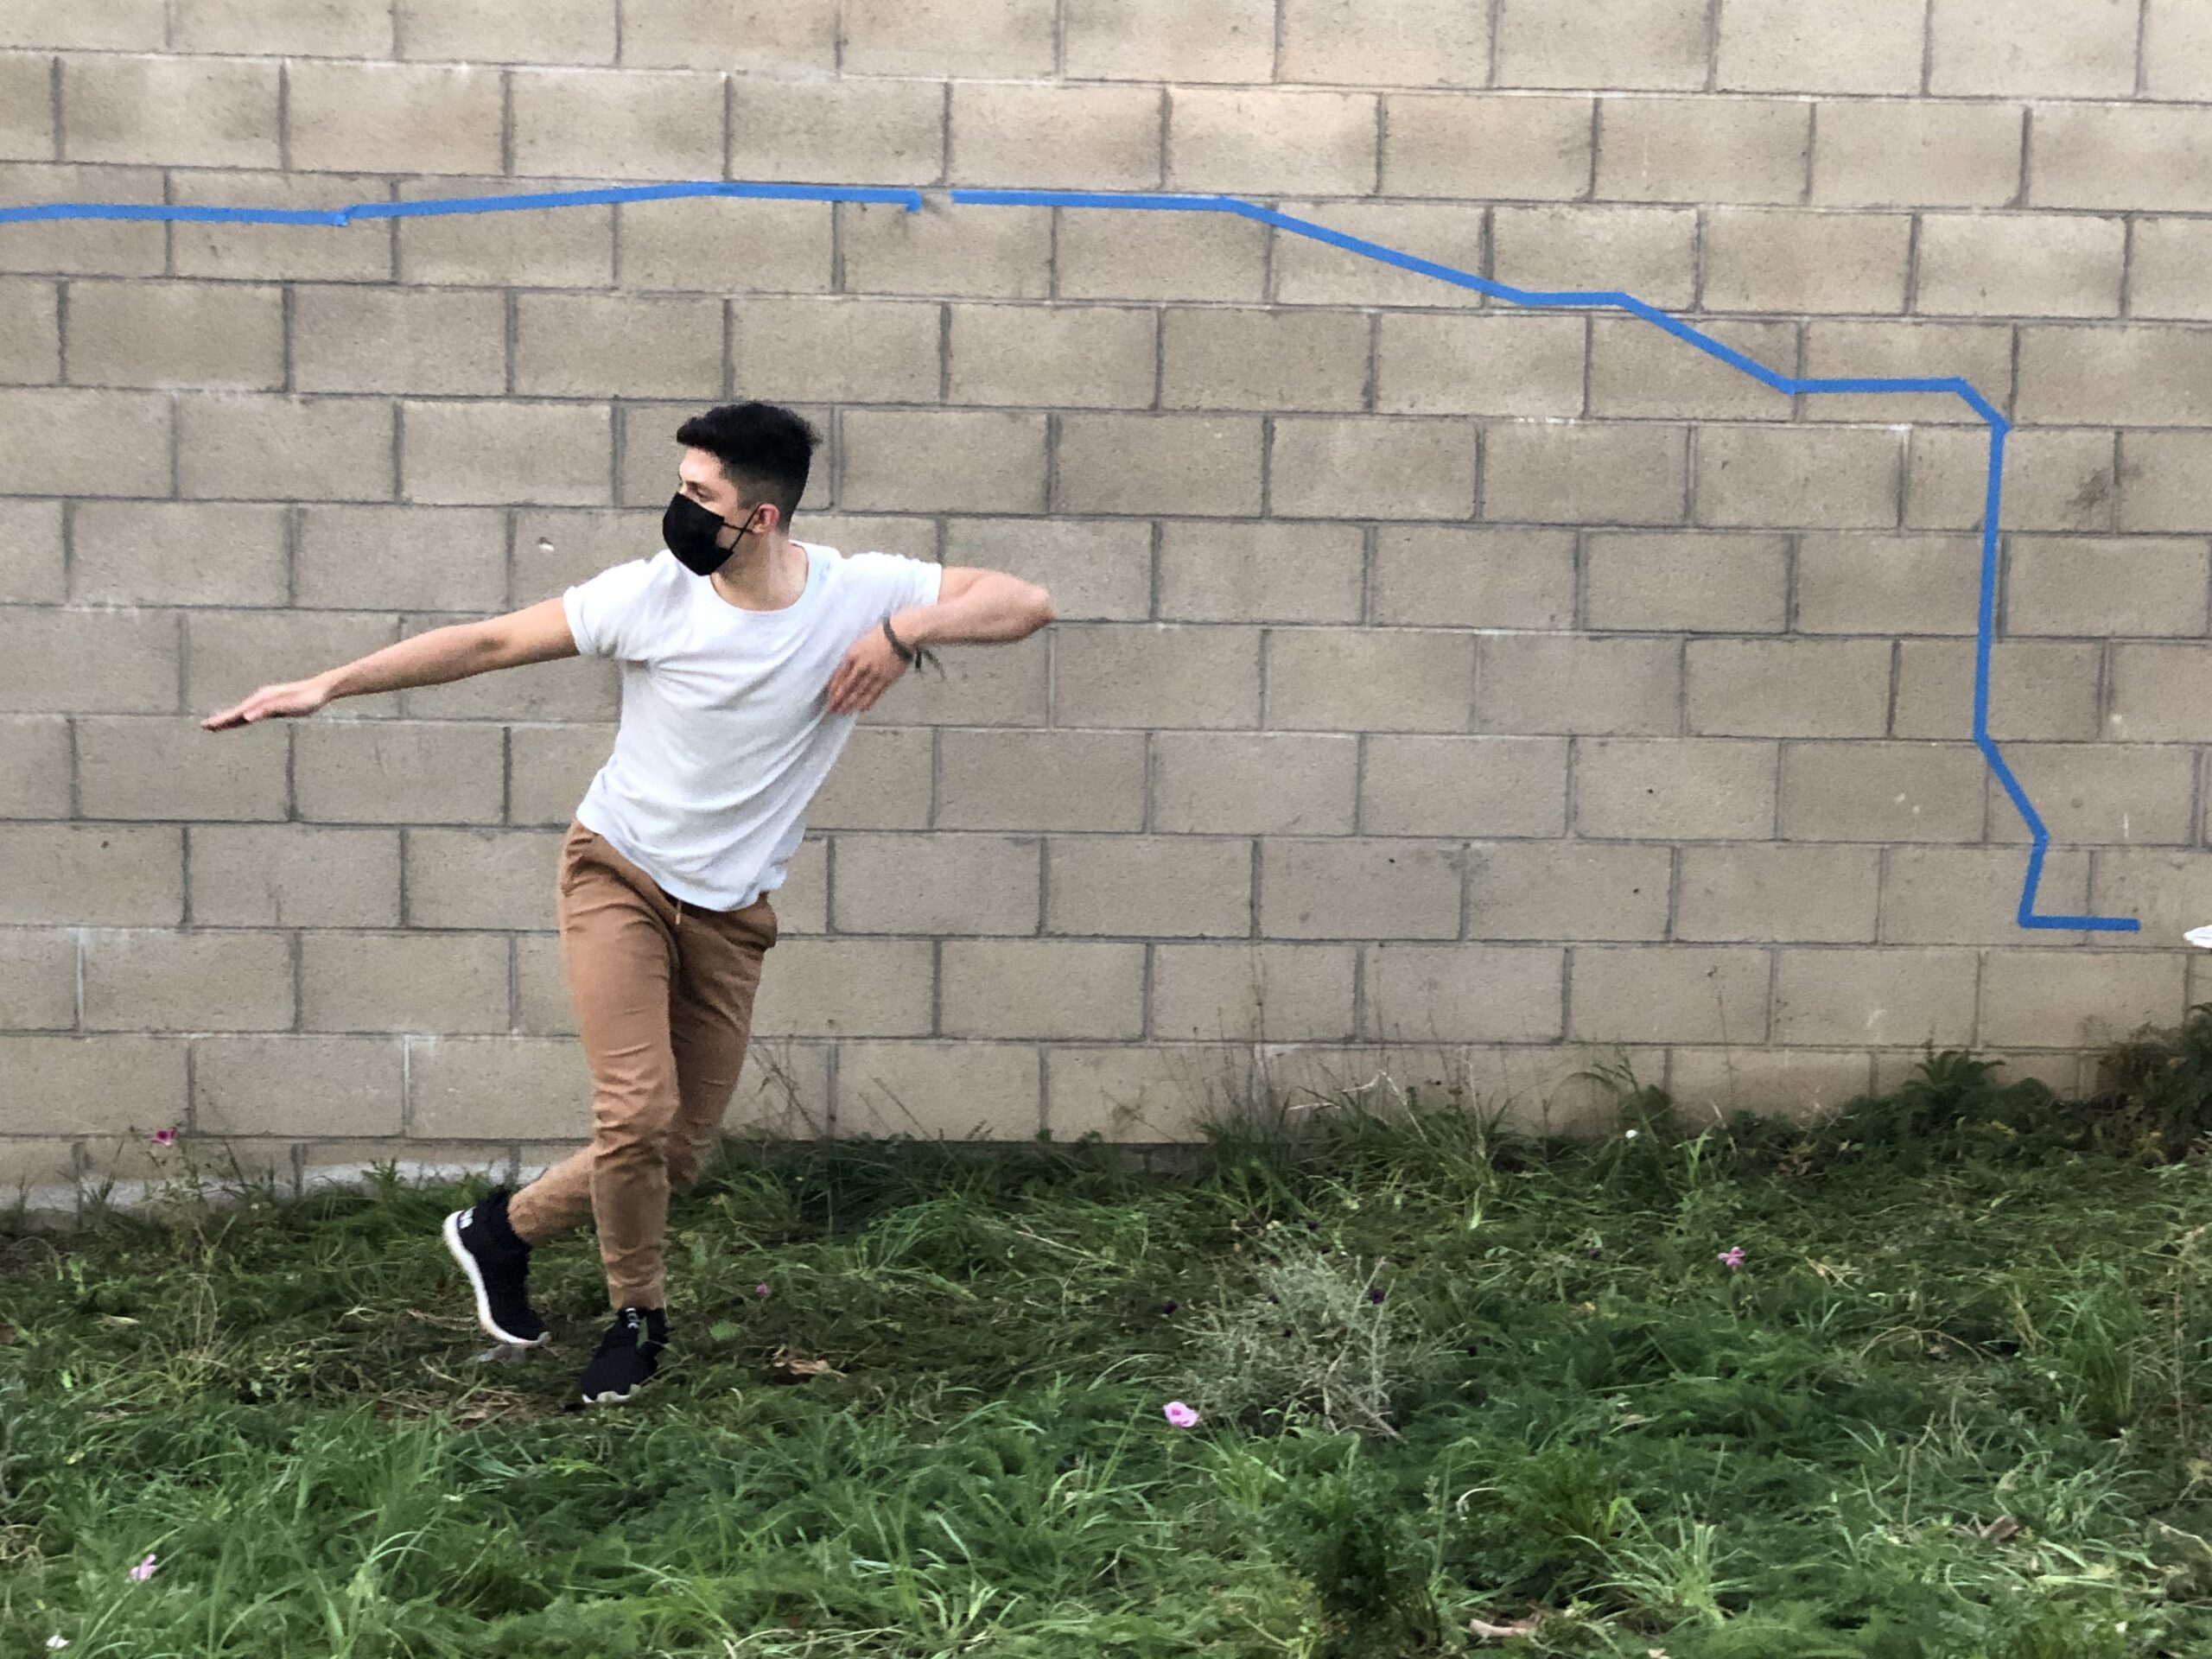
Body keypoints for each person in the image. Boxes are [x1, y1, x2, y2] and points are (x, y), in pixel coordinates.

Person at [201, 402, 1057, 1405]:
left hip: (732, 913)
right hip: (621, 874)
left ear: (762, 518)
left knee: (675, 1152)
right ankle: (637, 1320)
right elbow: (489, 642)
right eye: (680, 485)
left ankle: (500, 1231)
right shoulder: (653, 596)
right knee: (637, 1115)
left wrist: (904, 632)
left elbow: (1024, 601)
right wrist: (329, 684)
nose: (678, 508)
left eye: (700, 494)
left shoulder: (859, 591)